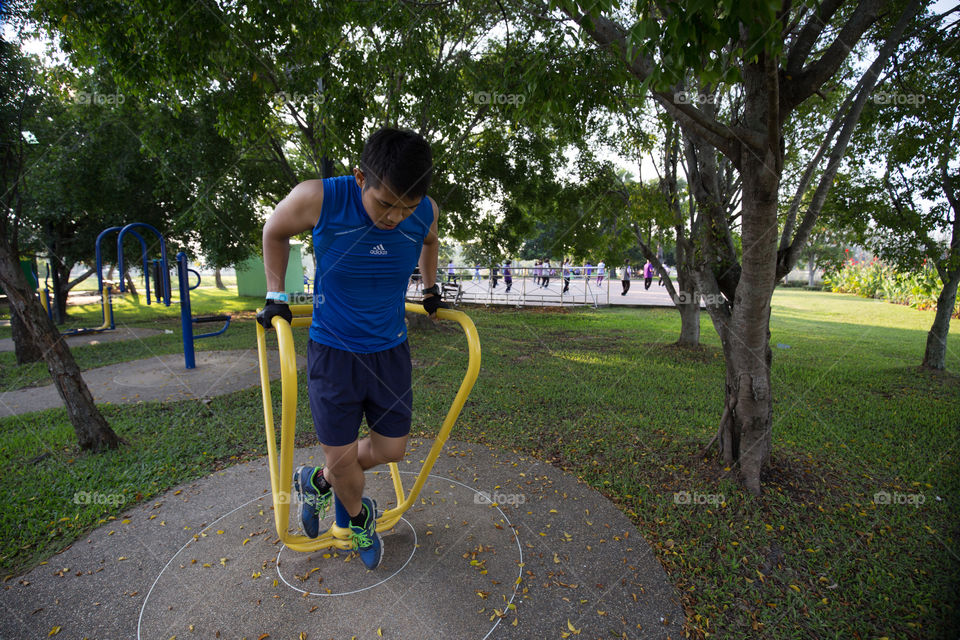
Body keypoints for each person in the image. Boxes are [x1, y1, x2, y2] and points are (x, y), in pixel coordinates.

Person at [257, 127, 441, 571]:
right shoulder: (318, 198)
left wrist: (431, 287)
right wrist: (276, 294)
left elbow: (430, 241)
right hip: (334, 351)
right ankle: (361, 518)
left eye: (407, 208)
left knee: (392, 449)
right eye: (385, 203)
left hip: (390, 351)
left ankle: (317, 480)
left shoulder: (426, 211)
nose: (396, 217)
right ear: (361, 177)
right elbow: (274, 231)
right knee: (341, 459)